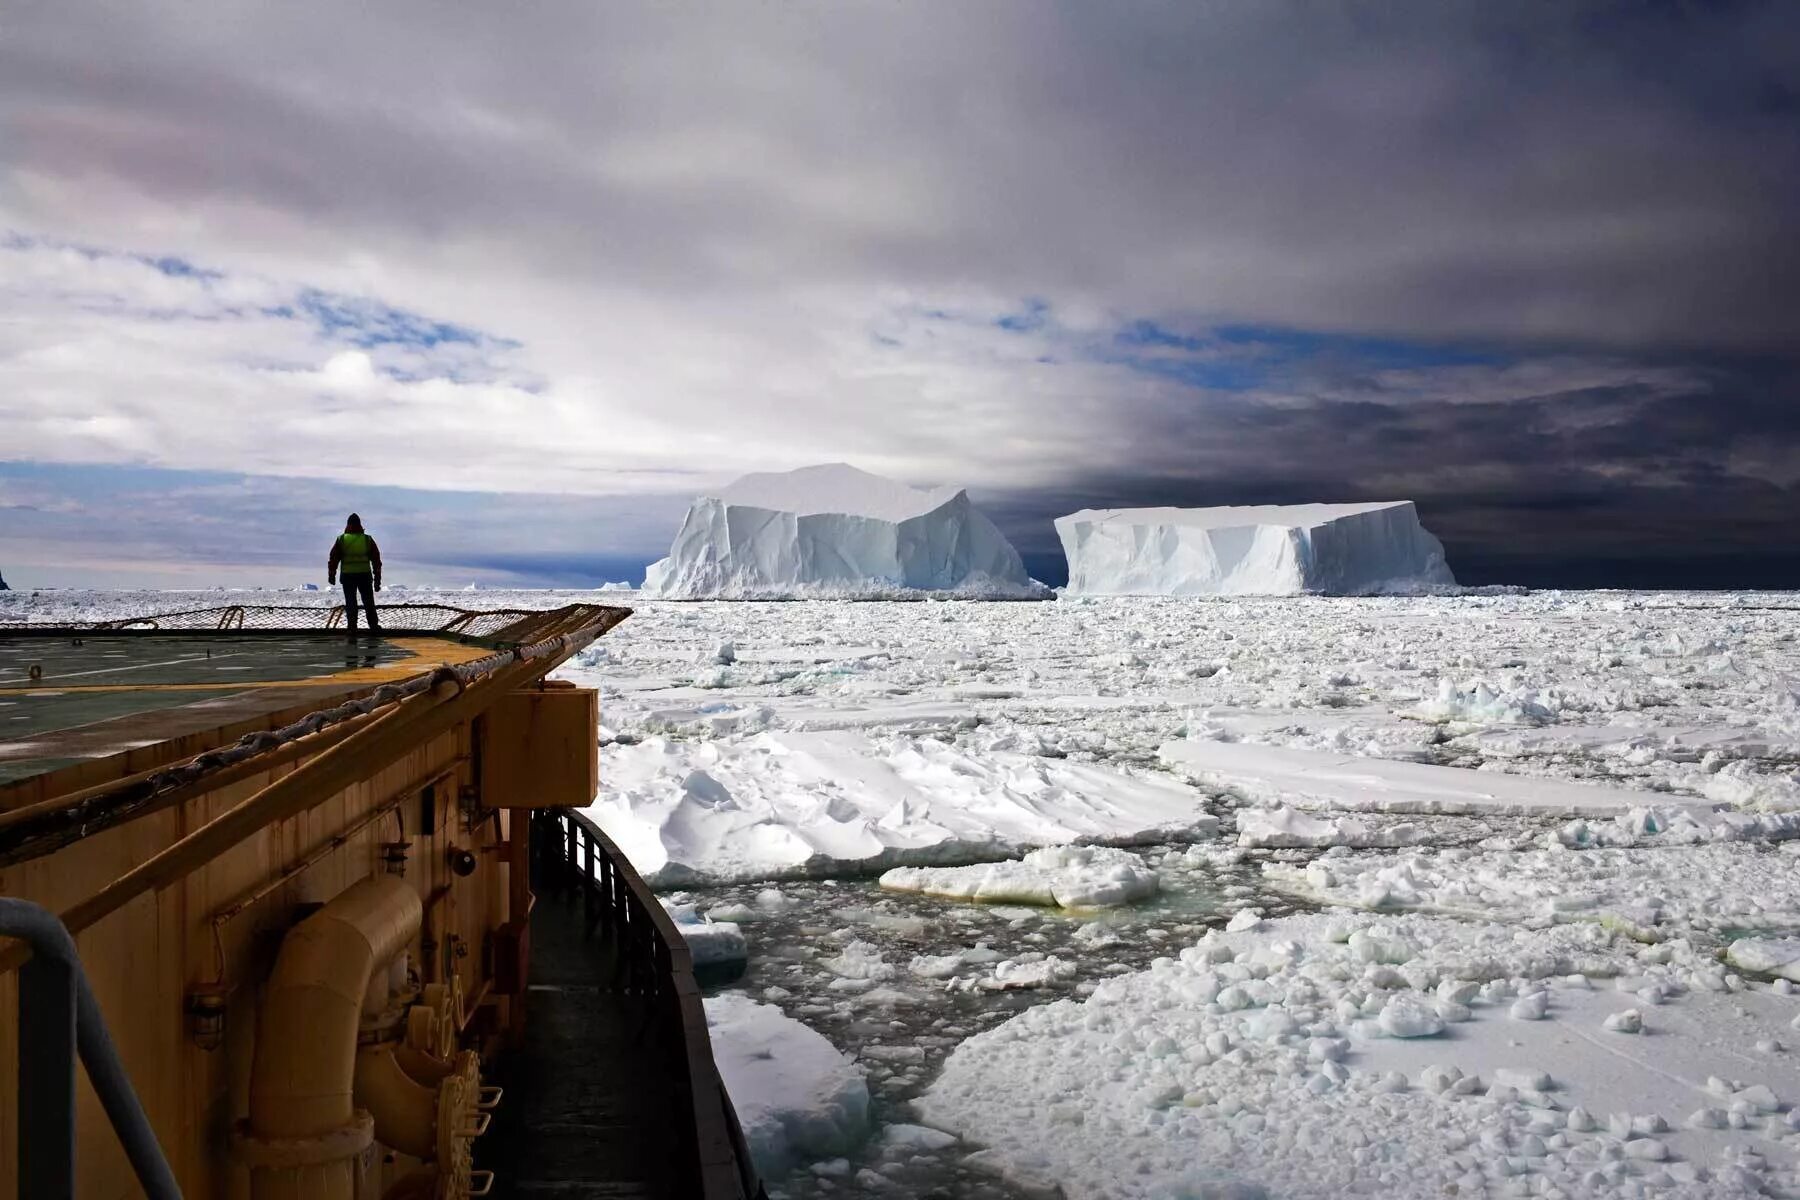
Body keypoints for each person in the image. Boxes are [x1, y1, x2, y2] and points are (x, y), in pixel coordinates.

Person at [327, 513, 383, 638]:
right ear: (360, 525)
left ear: (348, 525)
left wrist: (332, 574)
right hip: (364, 575)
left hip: (348, 576)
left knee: (351, 602)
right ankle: (373, 626)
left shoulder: (341, 539)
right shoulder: (367, 540)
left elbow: (333, 558)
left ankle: (352, 628)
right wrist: (377, 580)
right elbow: (376, 560)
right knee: (368, 602)